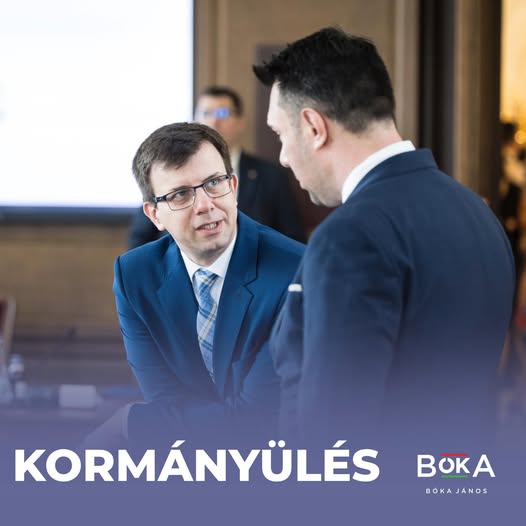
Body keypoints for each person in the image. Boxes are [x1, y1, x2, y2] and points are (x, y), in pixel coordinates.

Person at [253, 27, 515, 445]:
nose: (283, 157)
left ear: (314, 127)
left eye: (281, 135)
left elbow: (335, 437)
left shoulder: (350, 236)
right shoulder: (477, 214)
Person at [85, 122, 304, 449]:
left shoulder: (295, 271)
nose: (205, 205)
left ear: (233, 186)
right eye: (180, 194)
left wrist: (131, 423)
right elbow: (164, 401)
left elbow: (257, 418)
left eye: (214, 183)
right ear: (155, 215)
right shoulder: (135, 276)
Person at [128, 86, 305, 248]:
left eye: (222, 113)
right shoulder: (164, 174)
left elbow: (292, 239)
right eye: (205, 113)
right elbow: (140, 238)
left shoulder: (271, 176)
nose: (213, 121)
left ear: (240, 121)